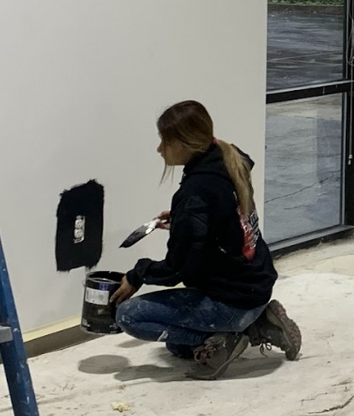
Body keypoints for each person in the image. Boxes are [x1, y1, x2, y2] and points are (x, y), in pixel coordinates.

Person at [111, 100, 303, 380]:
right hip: (255, 288)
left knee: (129, 316)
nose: (159, 149)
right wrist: (185, 222)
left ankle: (235, 336)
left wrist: (137, 274)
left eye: (164, 141)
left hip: (231, 300)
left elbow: (178, 269)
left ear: (184, 144)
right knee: (178, 345)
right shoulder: (228, 157)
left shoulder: (196, 193)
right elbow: (224, 220)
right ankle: (260, 321)